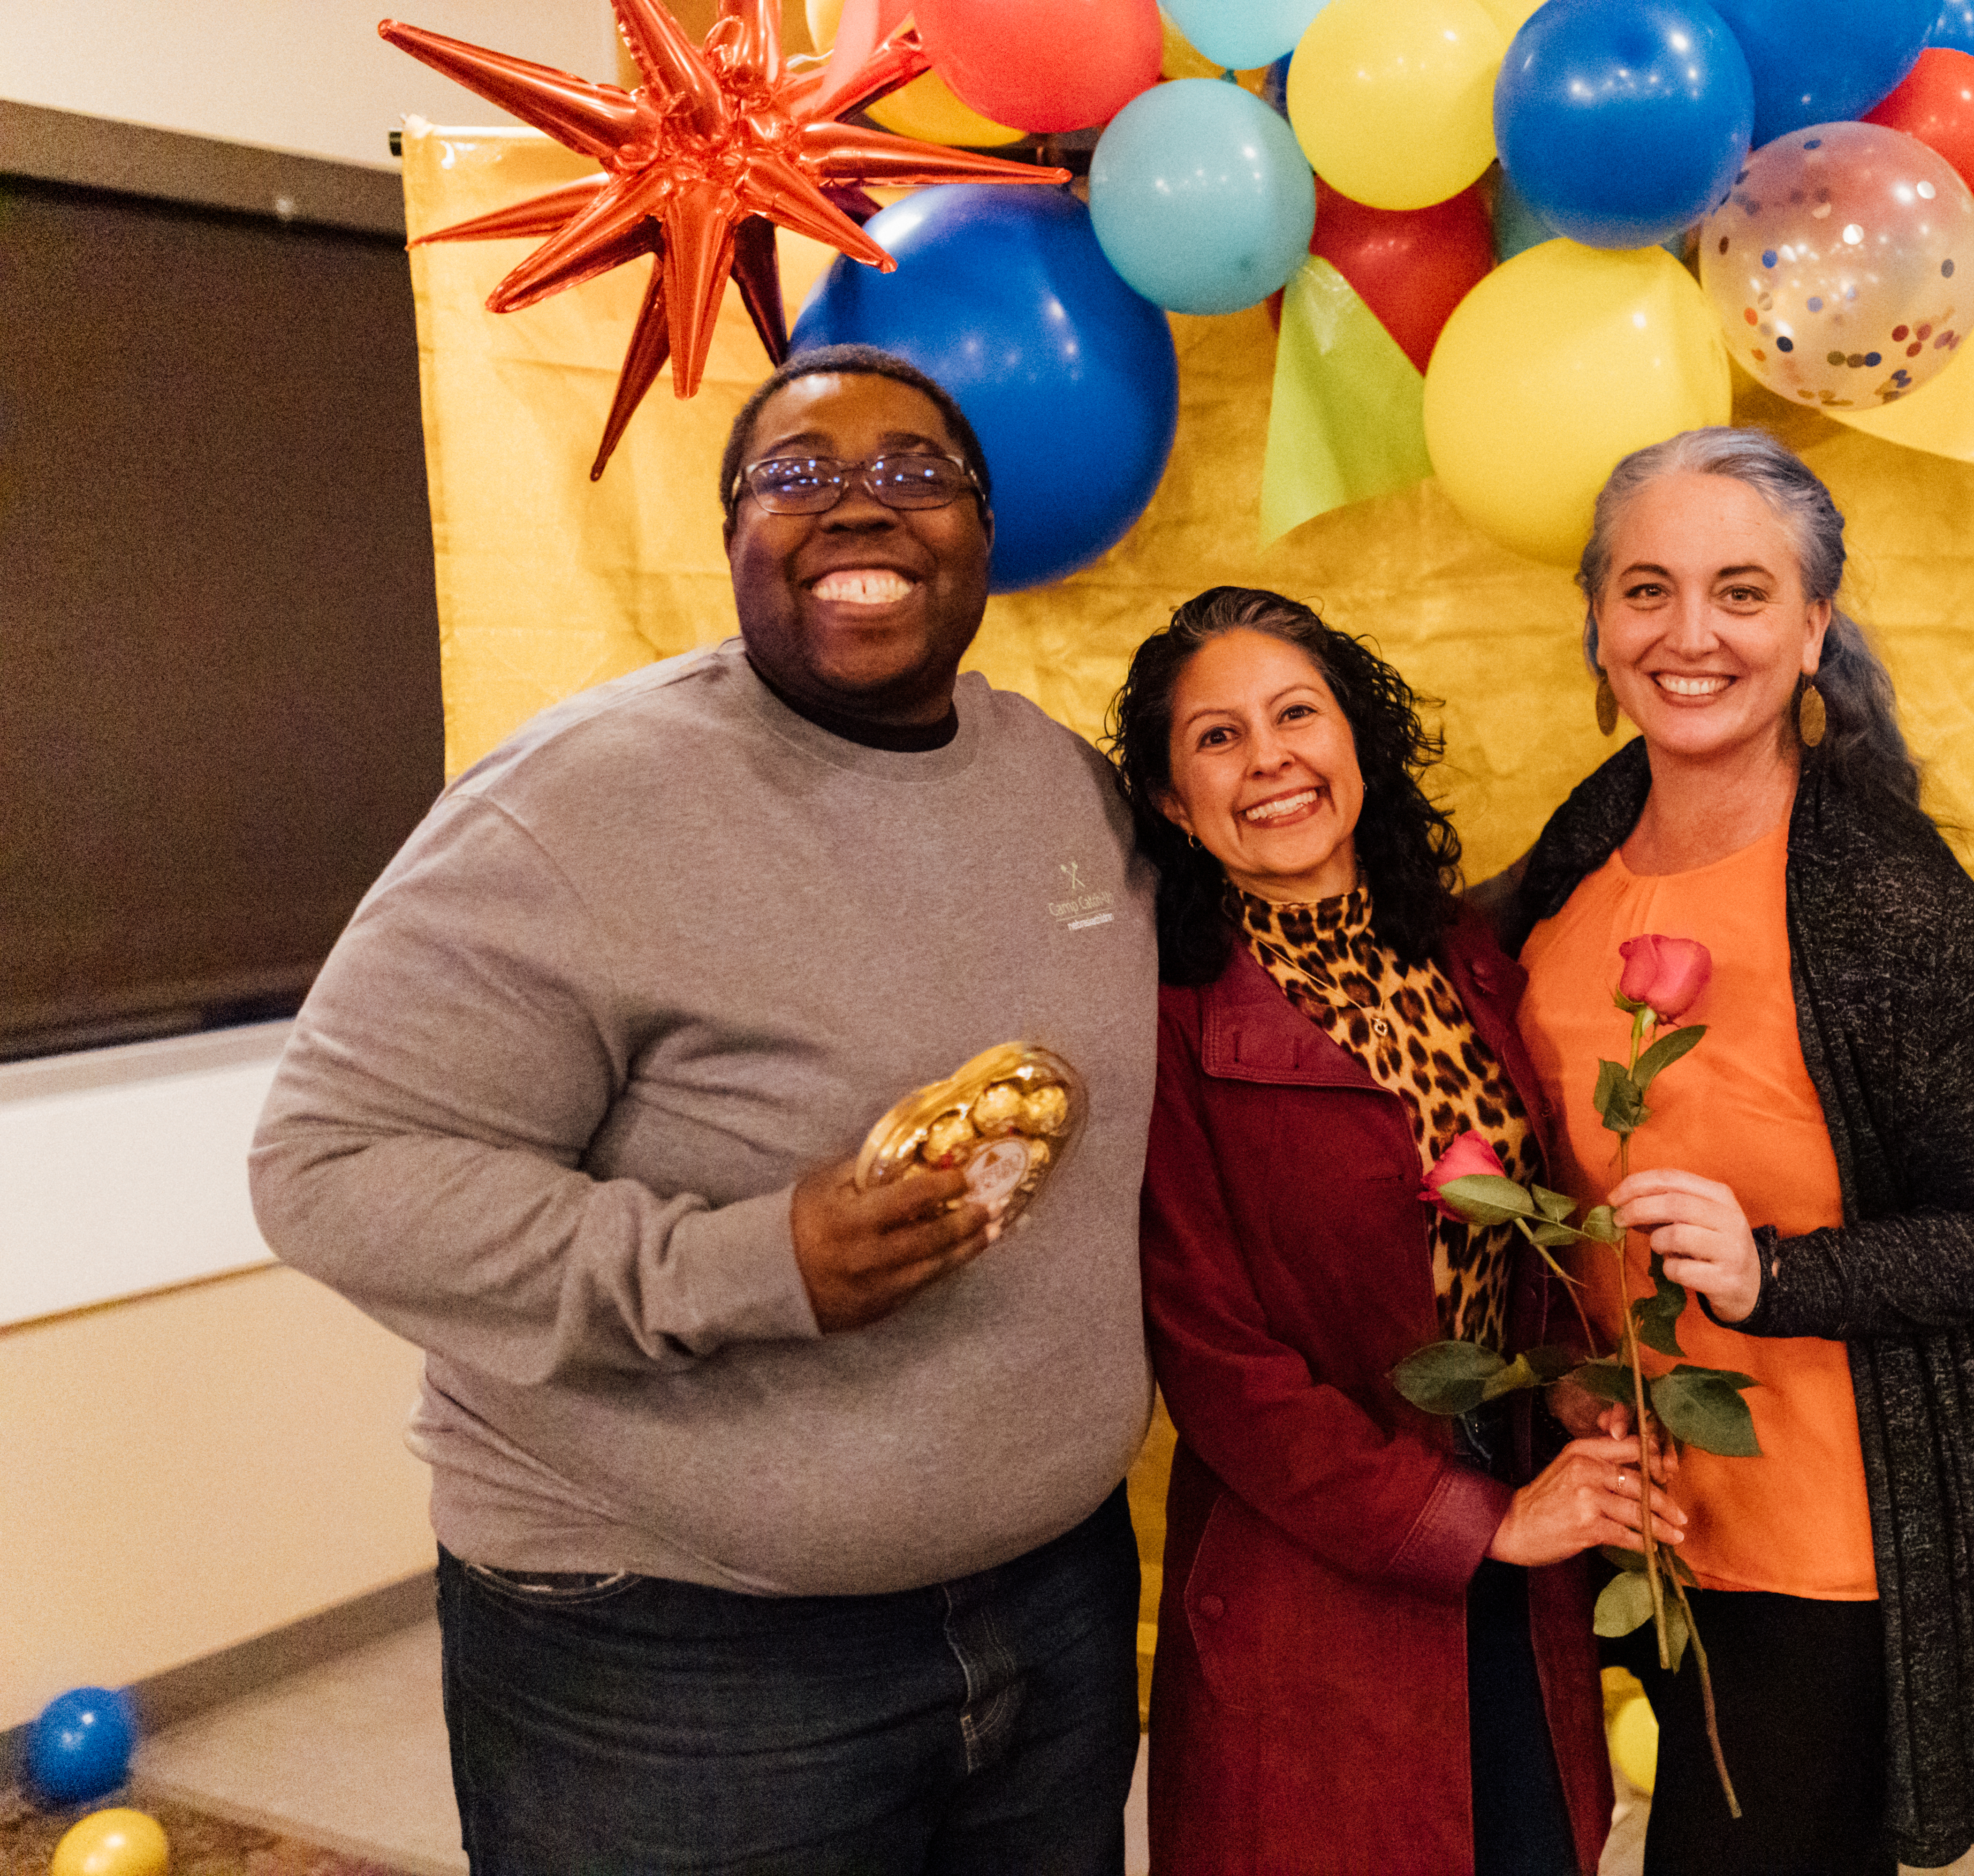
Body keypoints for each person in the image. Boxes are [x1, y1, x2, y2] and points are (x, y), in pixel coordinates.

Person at [250, 344, 1157, 1873]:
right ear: (732, 533)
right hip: (679, 1660)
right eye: (798, 478)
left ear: (985, 536)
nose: (860, 511)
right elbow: (327, 1171)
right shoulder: (579, 804)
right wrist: (745, 1267)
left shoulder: (1066, 788)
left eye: (916, 475)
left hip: (1051, 1611)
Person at [1501, 428, 1974, 1873]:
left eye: (1742, 593)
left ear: (1815, 626)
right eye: (1647, 590)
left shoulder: (1886, 900)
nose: (1688, 635)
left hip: (1820, 1545)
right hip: (1629, 1507)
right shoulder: (1587, 842)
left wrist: (1777, 1278)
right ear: (1596, 619)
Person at [1116, 587, 1659, 1876]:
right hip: (1318, 1561)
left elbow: (1520, 1235)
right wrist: (1476, 1526)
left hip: (1520, 1512)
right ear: (1168, 802)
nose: (1272, 761)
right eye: (1219, 739)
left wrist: (1579, 1389)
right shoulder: (1167, 1024)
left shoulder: (1462, 954)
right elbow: (1218, 1368)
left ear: (1357, 736)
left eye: (1297, 713)